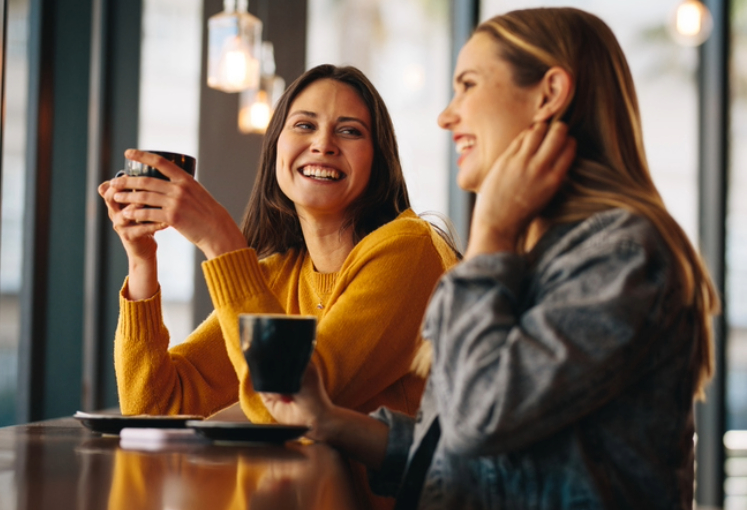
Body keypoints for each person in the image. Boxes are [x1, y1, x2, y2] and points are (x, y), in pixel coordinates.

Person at [260, 8, 719, 510]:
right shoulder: (535, 255)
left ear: (548, 94)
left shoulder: (621, 256)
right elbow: (465, 458)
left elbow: (482, 417)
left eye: (468, 85)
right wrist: (329, 421)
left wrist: (491, 233)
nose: (446, 115)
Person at [98, 64, 460, 427]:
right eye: (304, 125)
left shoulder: (408, 249)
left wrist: (219, 238)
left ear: (378, 161)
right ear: (274, 150)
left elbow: (290, 403)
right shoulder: (279, 276)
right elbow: (155, 407)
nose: (323, 144)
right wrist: (142, 260)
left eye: (350, 131)